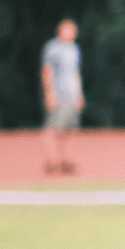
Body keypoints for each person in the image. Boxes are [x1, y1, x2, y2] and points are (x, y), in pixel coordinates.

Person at [40, 18, 85, 175]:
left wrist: (79, 94)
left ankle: (65, 161)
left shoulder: (74, 49)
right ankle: (51, 161)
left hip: (72, 95)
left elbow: (76, 73)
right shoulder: (53, 48)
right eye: (68, 29)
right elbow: (47, 71)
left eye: (73, 30)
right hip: (59, 94)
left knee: (69, 130)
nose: (72, 33)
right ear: (60, 30)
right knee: (53, 129)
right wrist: (49, 93)